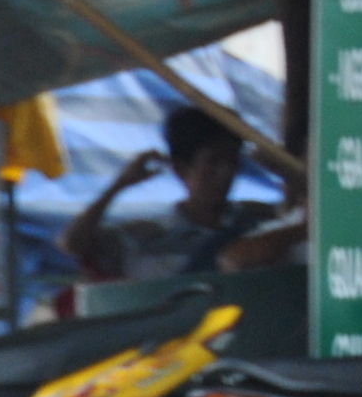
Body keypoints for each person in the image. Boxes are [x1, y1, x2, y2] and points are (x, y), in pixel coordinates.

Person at [62, 101, 305, 283]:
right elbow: (73, 244)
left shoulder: (256, 217)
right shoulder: (150, 234)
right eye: (213, 162)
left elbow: (306, 217)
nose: (226, 173)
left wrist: (285, 170)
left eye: (232, 161)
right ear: (181, 169)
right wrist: (119, 186)